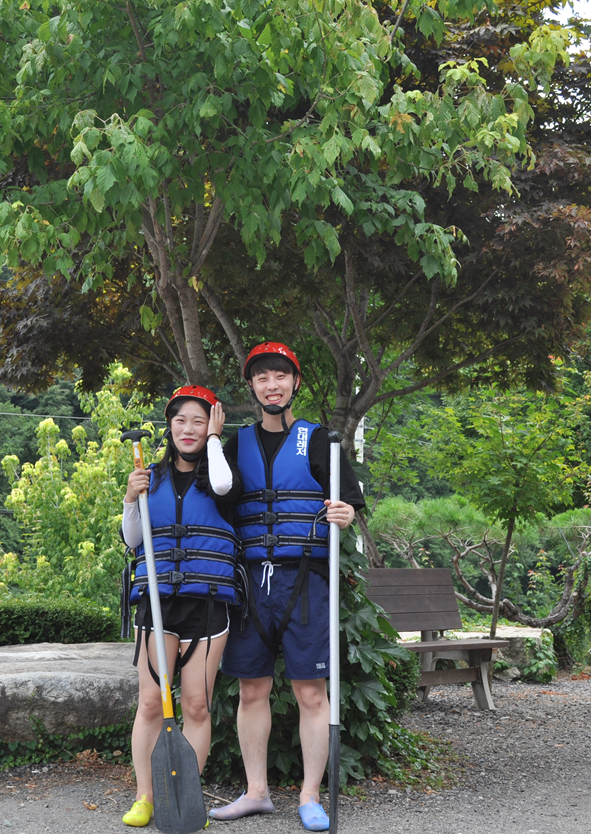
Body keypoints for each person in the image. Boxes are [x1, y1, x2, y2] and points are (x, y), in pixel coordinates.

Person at [210, 343, 365, 832]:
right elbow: (216, 494)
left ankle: (310, 796)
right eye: (262, 378)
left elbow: (350, 503)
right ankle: (256, 792)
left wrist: (345, 513)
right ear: (252, 387)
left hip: (305, 581)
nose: (271, 385)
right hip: (251, 582)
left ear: (295, 382)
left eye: (280, 376)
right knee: (251, 688)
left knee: (310, 692)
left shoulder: (320, 441)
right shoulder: (236, 444)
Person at [120, 385, 243, 828]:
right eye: (180, 420)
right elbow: (133, 539)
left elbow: (224, 486)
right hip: (158, 604)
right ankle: (146, 796)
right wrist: (130, 498)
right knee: (151, 703)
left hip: (206, 604)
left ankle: (187, 798)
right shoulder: (149, 475)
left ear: (211, 425)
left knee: (195, 707)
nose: (187, 429)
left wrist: (216, 440)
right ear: (168, 426)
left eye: (198, 421)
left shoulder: (222, 475)